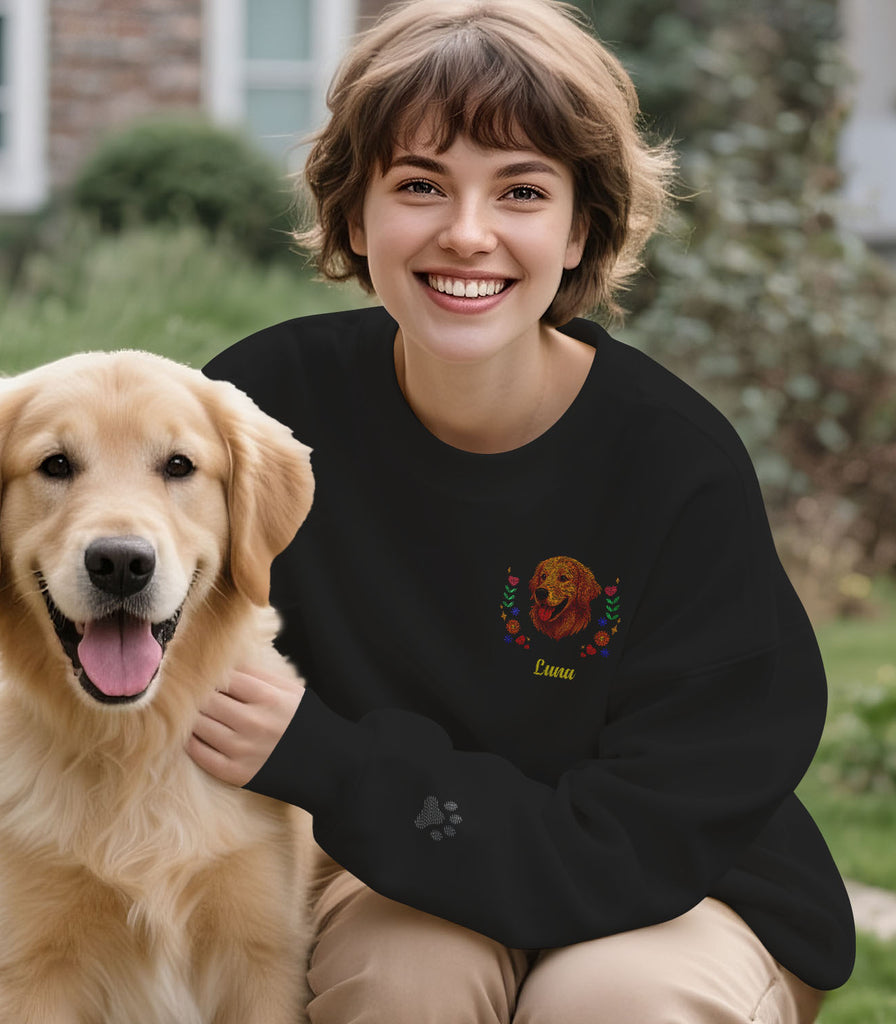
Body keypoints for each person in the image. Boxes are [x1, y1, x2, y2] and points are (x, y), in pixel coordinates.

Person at [187, 1, 856, 1020]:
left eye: (521, 190)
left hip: (677, 890)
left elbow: (642, 839)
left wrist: (322, 755)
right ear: (353, 212)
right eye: (419, 184)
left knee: (609, 1000)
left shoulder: (675, 465)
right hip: (390, 861)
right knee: (403, 980)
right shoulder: (256, 417)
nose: (467, 233)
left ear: (581, 223)